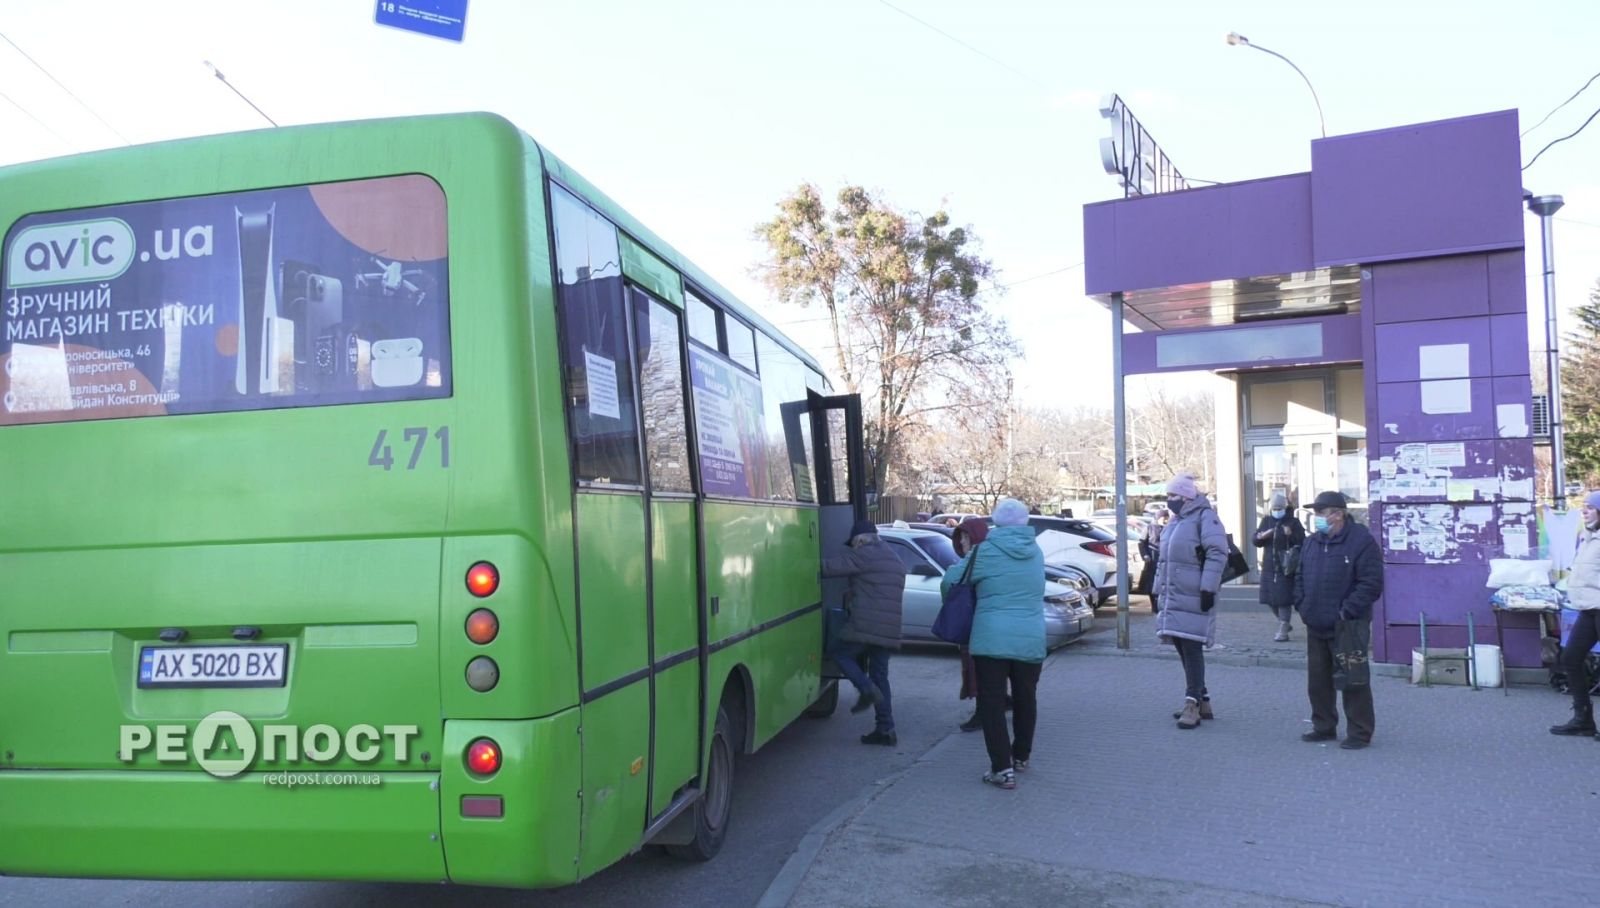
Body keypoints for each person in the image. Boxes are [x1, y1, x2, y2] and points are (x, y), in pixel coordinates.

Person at [943, 498, 1045, 790]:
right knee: (1027, 698)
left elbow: (952, 582)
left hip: (991, 639)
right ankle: (1021, 757)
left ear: (996, 522)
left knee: (992, 703)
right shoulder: (1036, 551)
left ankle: (1001, 768)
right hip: (1031, 638)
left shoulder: (984, 552)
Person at [1292, 491, 1383, 750]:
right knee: (1318, 681)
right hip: (1316, 622)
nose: (1317, 517)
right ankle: (1323, 726)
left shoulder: (1361, 542)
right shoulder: (1312, 542)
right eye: (1316, 513)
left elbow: (1371, 583)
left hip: (1348, 625)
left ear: (1339, 514)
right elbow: (1299, 575)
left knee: (1353, 680)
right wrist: (1303, 605)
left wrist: (1346, 611)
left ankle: (1359, 732)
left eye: (1321, 512)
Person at [823, 519, 907, 746]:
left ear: (860, 540)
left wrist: (798, 563)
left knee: (840, 654)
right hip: (889, 628)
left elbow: (829, 568)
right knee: (880, 675)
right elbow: (877, 584)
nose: (853, 547)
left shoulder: (865, 554)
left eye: (853, 543)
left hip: (867, 625)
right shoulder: (892, 555)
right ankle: (886, 729)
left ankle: (866, 688)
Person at [1154, 473, 1227, 729]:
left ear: (1186, 497)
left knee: (1191, 647)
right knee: (1181, 643)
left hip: (1194, 594)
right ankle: (1202, 700)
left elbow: (1217, 551)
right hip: (1174, 595)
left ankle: (1192, 703)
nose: (1169, 500)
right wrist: (1157, 591)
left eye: (1173, 495)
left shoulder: (1205, 517)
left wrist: (1208, 588)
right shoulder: (1176, 521)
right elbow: (1164, 561)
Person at [1551, 491, 1600, 738]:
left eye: (1590, 507)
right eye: (1584, 507)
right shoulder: (1587, 538)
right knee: (1571, 659)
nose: (1585, 511)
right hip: (1588, 610)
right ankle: (1583, 719)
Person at [952, 517, 990, 733]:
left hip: (977, 624)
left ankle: (983, 712)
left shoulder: (975, 560)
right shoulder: (975, 559)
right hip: (975, 624)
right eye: (961, 538)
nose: (962, 542)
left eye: (966, 537)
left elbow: (950, 584)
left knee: (978, 669)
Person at [1254, 491, 1306, 642]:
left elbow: (1302, 541)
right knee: (1270, 599)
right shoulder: (1266, 521)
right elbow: (1256, 540)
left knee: (1283, 599)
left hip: (1286, 566)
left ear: (1285, 507)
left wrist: (1290, 535)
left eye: (1279, 508)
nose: (1277, 511)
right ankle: (1282, 622)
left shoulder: (1293, 522)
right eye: (1274, 508)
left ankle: (1283, 626)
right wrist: (1261, 537)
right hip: (1269, 566)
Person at [1139, 508, 1170, 612]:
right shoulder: (1149, 528)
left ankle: (1162, 604)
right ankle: (1154, 605)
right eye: (1163, 518)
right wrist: (1145, 555)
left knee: (1163, 583)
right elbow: (1142, 543)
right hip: (1152, 559)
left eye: (1167, 518)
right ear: (1158, 518)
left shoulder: (1169, 528)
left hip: (1165, 560)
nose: (1165, 520)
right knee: (1151, 583)